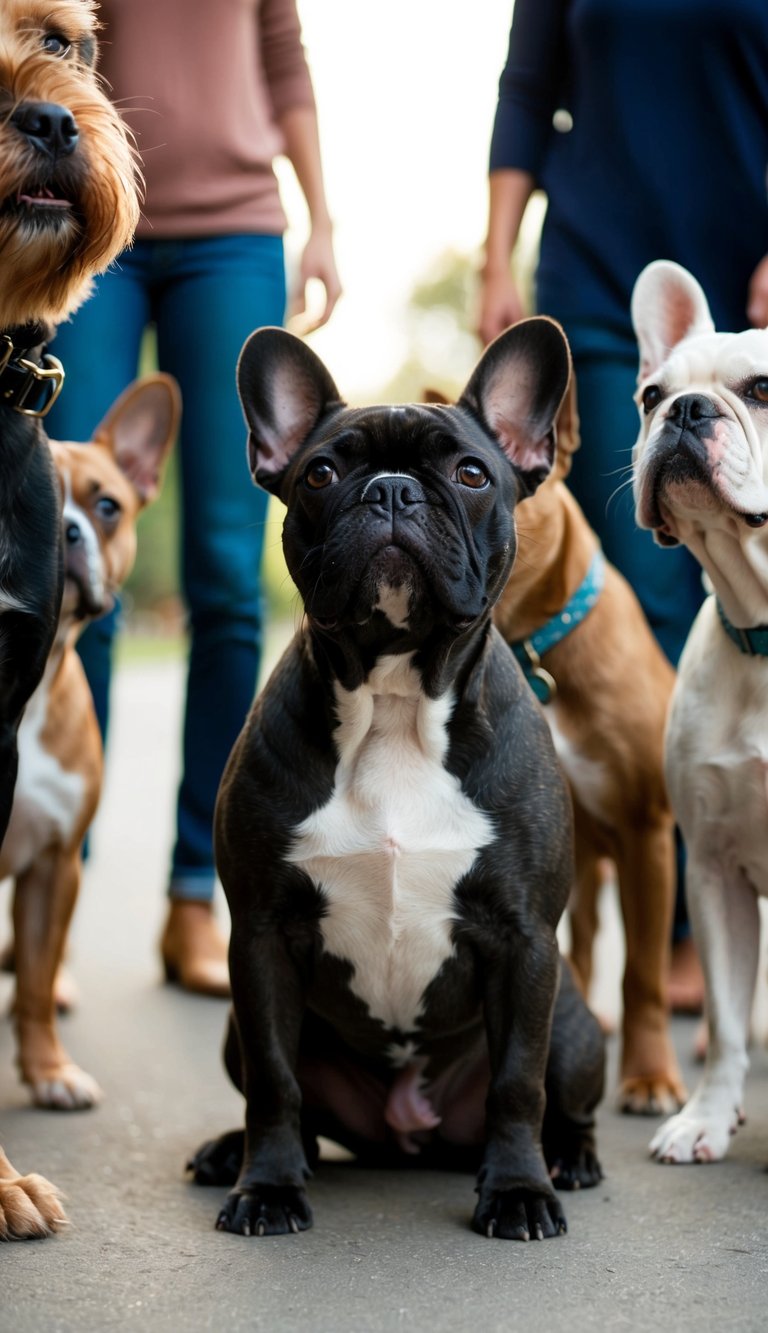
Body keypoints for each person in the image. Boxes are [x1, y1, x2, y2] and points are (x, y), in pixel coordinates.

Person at [476, 0, 768, 1011]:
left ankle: (709, 881)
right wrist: (495, 255)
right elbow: (527, 89)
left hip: (755, 257)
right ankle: (678, 914)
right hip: (599, 270)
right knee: (650, 569)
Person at [47, 0, 341, 998]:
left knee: (224, 570)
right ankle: (54, 889)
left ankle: (190, 899)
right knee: (65, 560)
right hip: (83, 208)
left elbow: (282, 57)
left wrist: (322, 224)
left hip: (236, 236)